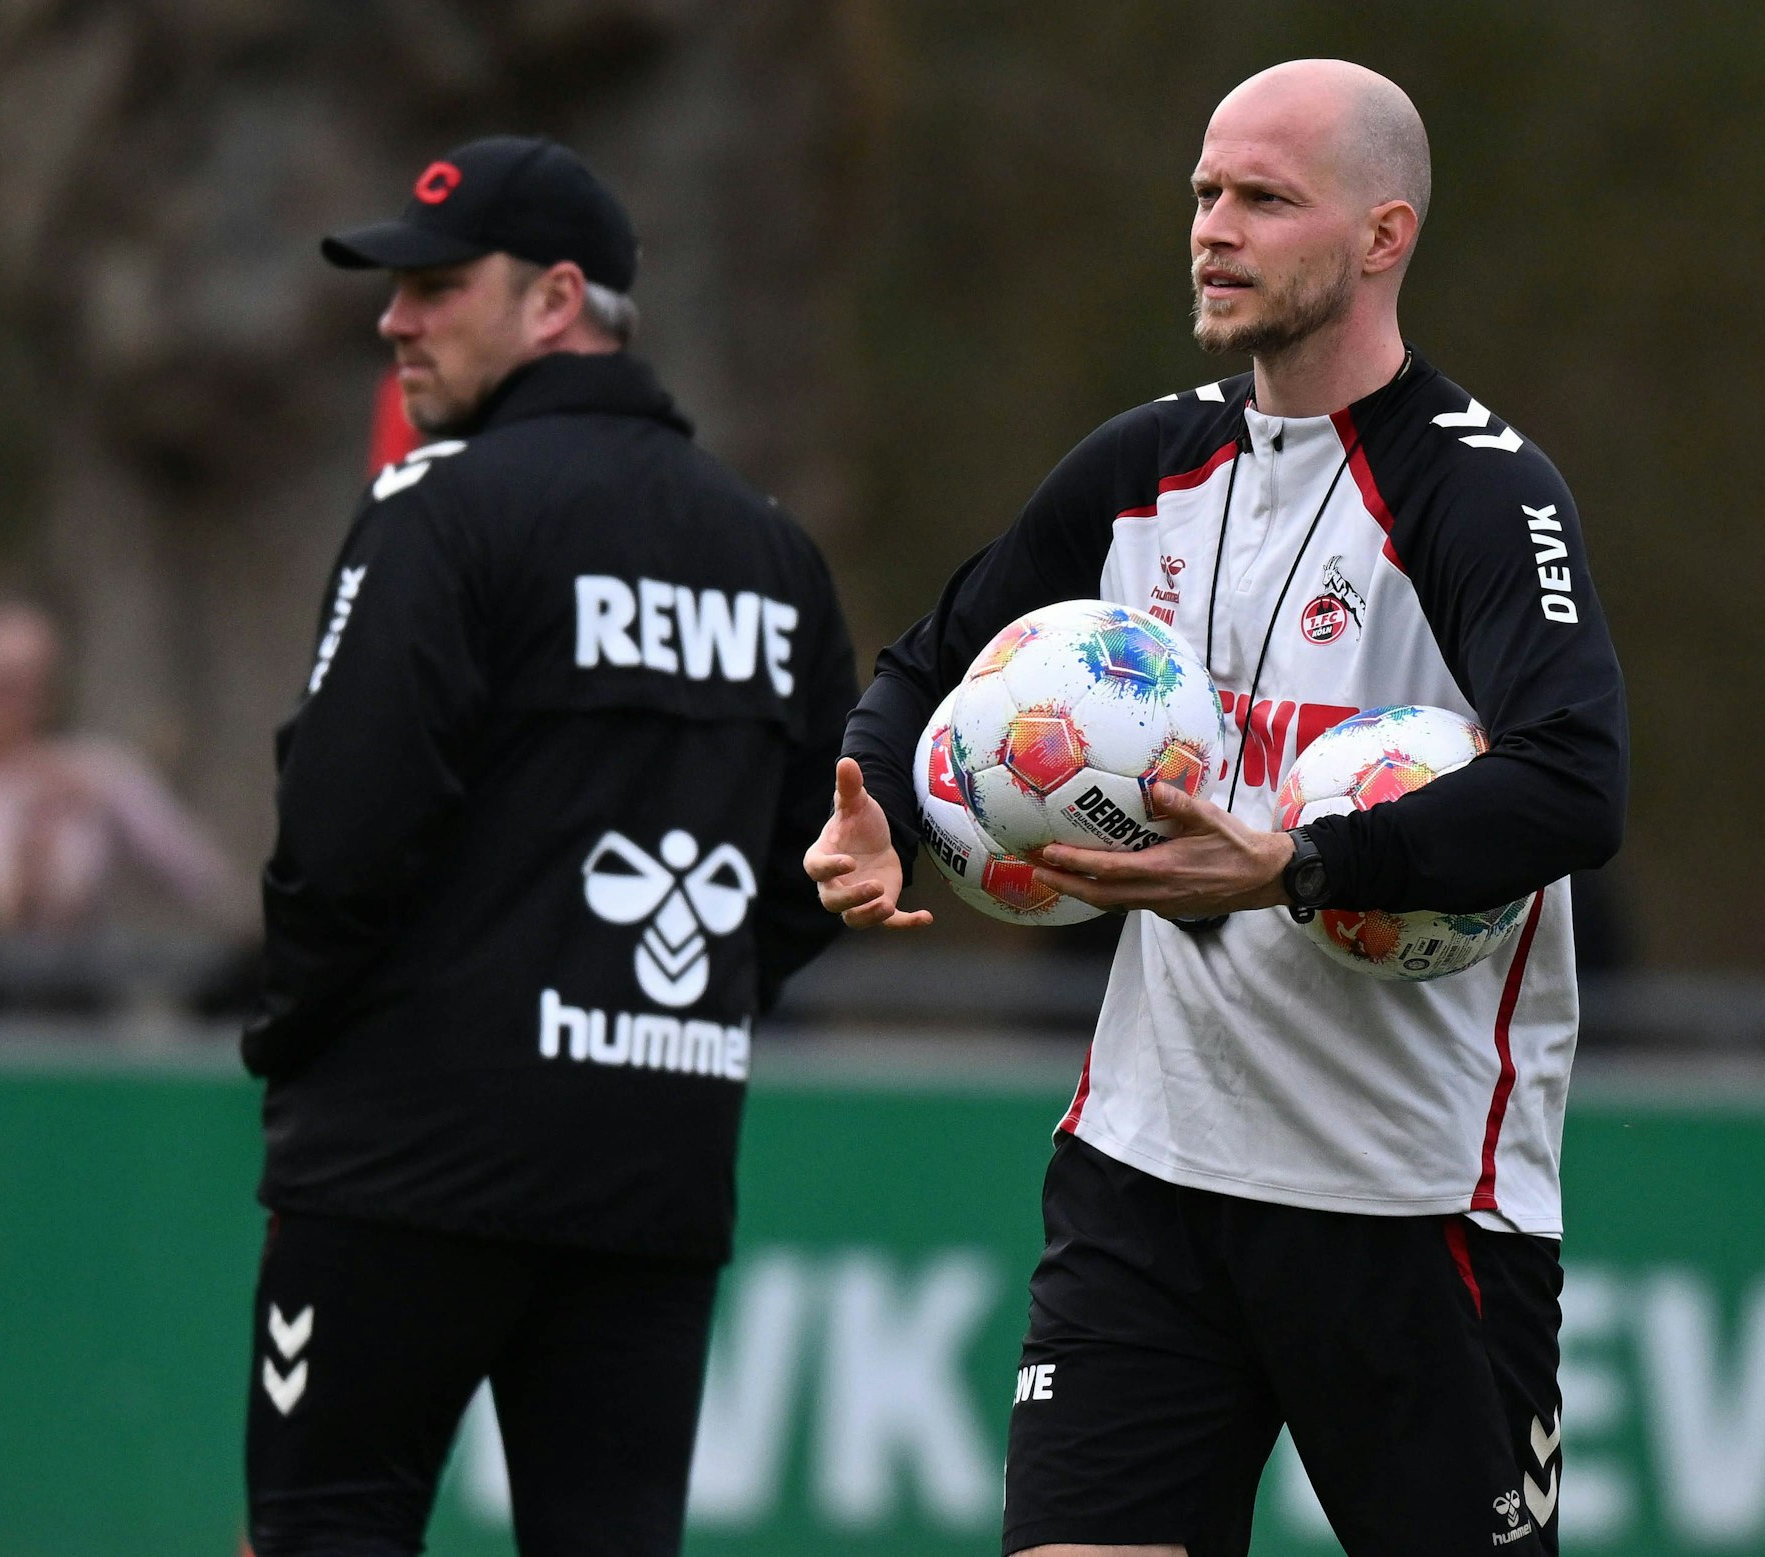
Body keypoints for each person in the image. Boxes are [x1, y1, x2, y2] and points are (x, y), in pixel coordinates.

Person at [810, 60, 1626, 1557]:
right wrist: (879, 797)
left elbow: (1576, 784)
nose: (1215, 229)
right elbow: (929, 664)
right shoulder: (1144, 468)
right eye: (1204, 194)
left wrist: (1303, 866)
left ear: (1383, 235)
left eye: (1265, 198)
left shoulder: (1478, 497)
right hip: (1147, 1176)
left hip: (1409, 1199)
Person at [242, 136, 855, 1556]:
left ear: (555, 299)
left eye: (439, 286)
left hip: (405, 1155)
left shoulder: (441, 509)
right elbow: (832, 848)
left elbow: (341, 831)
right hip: (653, 1154)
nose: (397, 318)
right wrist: (680, 1005)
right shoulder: (771, 549)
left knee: (326, 1523)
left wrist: (294, 1040)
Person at [0, 592, 242, 937]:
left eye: (39, 688)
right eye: (2, 687)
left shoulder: (92, 772)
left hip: (75, 984)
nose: (23, 708)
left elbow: (206, 883)